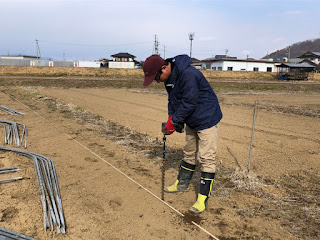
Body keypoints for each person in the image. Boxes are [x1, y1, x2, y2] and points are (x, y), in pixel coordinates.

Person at [143, 54, 222, 214]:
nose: (157, 81)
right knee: (189, 152)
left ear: (164, 67)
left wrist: (175, 120)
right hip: (191, 118)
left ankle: (202, 198)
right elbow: (173, 102)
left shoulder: (188, 74)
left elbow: (189, 101)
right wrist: (172, 119)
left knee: (206, 157)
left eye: (156, 77)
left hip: (207, 117)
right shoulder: (169, 80)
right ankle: (182, 184)